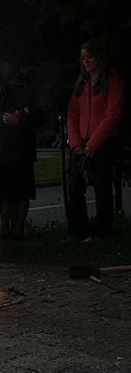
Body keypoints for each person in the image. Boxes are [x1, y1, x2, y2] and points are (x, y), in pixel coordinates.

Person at [67, 39, 126, 240]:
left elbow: (112, 116)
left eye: (89, 57)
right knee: (75, 186)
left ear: (99, 58)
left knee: (102, 186)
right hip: (81, 142)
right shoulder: (81, 85)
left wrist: (93, 144)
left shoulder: (113, 81)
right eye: (83, 58)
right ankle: (78, 230)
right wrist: (76, 143)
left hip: (104, 142)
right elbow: (72, 115)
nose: (85, 61)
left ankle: (101, 230)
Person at [0, 62, 43, 239]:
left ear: (4, 74)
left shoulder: (23, 92)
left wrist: (18, 121)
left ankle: (18, 229)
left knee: (21, 192)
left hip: (20, 152)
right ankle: (4, 229)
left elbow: (38, 117)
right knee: (3, 192)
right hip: (0, 152)